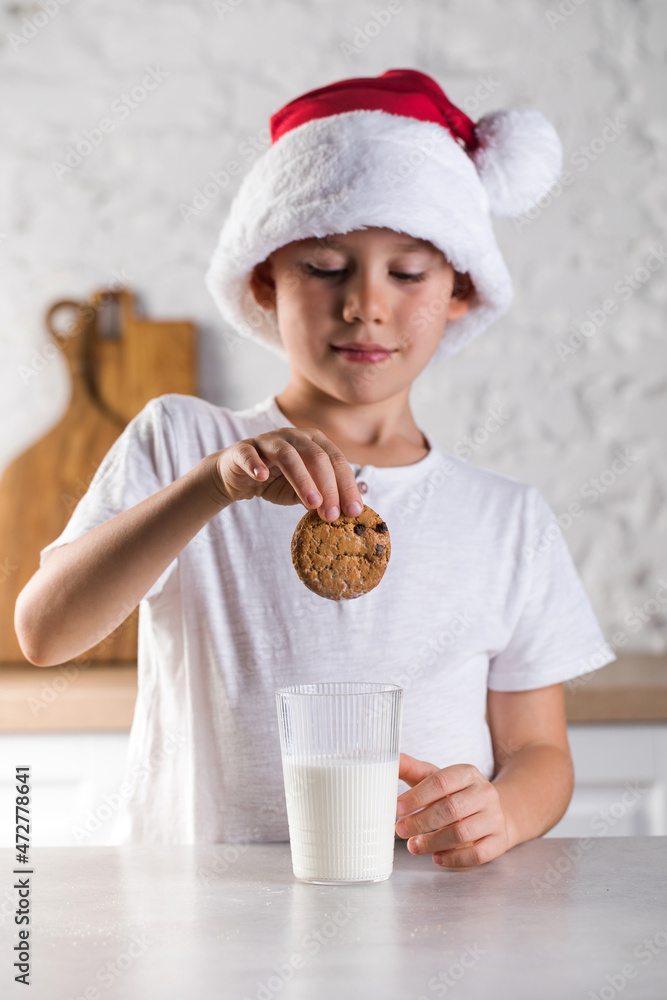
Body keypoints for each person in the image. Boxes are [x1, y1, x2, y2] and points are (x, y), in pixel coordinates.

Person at [15, 69, 615, 868]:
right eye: (325, 266)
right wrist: (210, 488)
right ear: (265, 278)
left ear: (461, 289)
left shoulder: (507, 518)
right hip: (202, 921)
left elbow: (540, 751)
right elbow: (45, 632)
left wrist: (499, 811)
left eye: (408, 273)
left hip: (426, 927)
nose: (366, 304)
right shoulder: (182, 442)